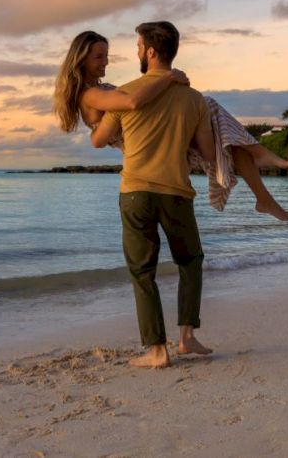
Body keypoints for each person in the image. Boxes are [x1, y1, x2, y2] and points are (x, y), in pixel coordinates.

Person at [53, 31, 288, 221]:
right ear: (81, 59)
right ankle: (261, 157)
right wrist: (168, 77)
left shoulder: (99, 89)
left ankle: (263, 196)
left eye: (107, 56)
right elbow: (131, 101)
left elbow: (131, 100)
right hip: (149, 145)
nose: (105, 62)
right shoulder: (89, 95)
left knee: (229, 140)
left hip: (152, 137)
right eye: (99, 57)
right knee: (209, 106)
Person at [91, 21, 215, 367]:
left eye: (137, 46)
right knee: (190, 262)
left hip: (135, 192)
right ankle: (186, 337)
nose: (136, 52)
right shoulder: (194, 99)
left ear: (149, 51)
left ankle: (157, 350)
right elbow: (206, 153)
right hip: (176, 191)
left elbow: (99, 140)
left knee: (142, 272)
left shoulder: (125, 94)